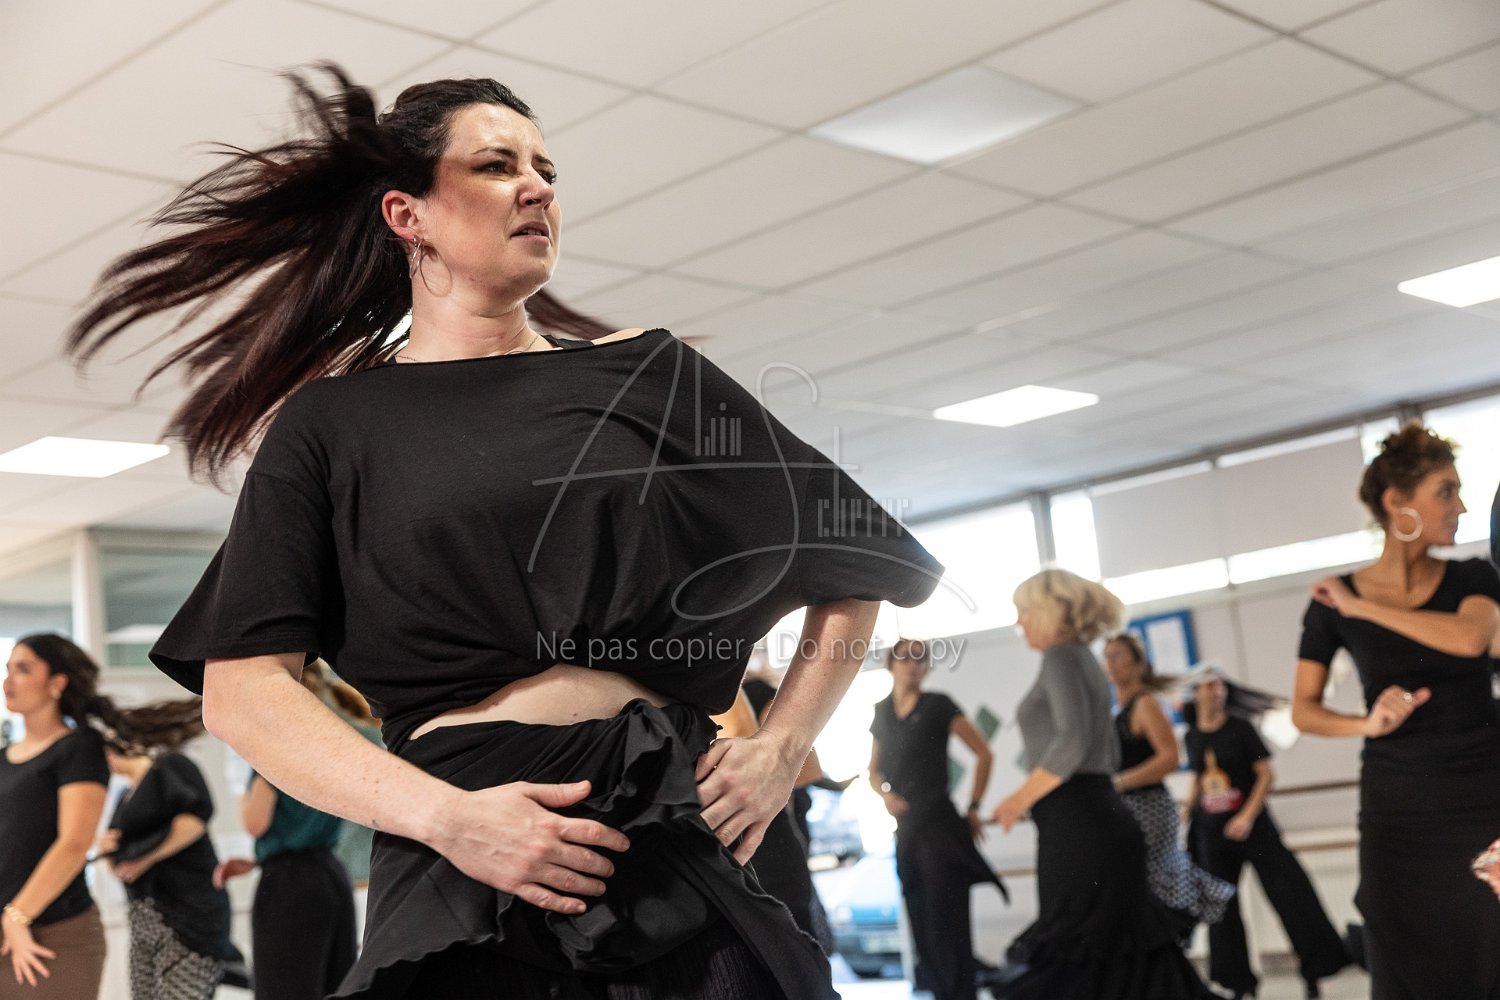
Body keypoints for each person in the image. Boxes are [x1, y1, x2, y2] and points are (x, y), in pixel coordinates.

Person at [69, 65, 943, 999]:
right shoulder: (334, 425)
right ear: (407, 215)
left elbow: (856, 561)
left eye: (547, 171)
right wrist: (447, 819)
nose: (537, 189)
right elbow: (242, 693)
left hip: (676, 822)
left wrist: (781, 749)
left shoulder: (649, 375)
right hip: (466, 840)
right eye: (497, 166)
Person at [1292, 423, 1500, 999]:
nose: (1460, 507)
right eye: (1446, 491)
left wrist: (1363, 608)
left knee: (1491, 949)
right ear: (1396, 502)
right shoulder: (1331, 603)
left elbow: (1469, 640)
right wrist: (1366, 724)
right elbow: (1303, 710)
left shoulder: (1473, 577)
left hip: (1483, 797)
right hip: (1398, 811)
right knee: (1406, 957)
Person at [992, 569, 1212, 1000]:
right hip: (1094, 816)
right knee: (1119, 957)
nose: (1019, 623)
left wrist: (1018, 799)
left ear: (1049, 611)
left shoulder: (1061, 656)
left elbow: (1073, 741)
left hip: (1079, 823)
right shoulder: (1083, 658)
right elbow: (1099, 750)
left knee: (1083, 947)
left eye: (1024, 613)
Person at [1, 634, 203, 999]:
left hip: (54, 935)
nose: (8, 681)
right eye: (7, 669)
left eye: (23, 669)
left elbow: (75, 842)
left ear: (57, 683)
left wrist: (17, 916)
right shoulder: (3, 758)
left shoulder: (79, 748)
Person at [1184, 671, 1347, 1000]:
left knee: (1290, 895)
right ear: (1196, 693)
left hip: (1255, 829)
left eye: (1219, 685)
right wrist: (1188, 806)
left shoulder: (1240, 728)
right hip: (1213, 833)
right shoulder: (1192, 736)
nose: (1215, 691)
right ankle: (1238, 985)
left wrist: (1246, 816)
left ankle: (1315, 972)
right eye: (1208, 686)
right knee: (1221, 911)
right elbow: (1201, 776)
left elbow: (1265, 775)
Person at [869, 637, 1005, 1000]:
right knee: (921, 922)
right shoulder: (882, 712)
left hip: (940, 826)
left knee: (948, 921)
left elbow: (984, 754)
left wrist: (974, 806)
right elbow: (872, 772)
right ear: (891, 665)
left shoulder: (939, 705)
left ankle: (961, 993)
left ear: (927, 667)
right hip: (907, 830)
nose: (912, 664)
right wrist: (885, 795)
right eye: (905, 658)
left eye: (920, 658)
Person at [214, 662, 358, 1000]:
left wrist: (245, 780)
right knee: (336, 988)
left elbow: (254, 823)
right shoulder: (329, 744)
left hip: (290, 887)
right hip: (330, 875)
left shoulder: (274, 751)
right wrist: (259, 860)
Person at [1102, 634, 1233, 938]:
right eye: (1106, 657)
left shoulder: (1144, 704)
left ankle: (1172, 940)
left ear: (1138, 664)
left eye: (1118, 655)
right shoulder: (1118, 710)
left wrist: (1121, 781)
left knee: (1155, 889)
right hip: (1128, 808)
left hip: (1149, 807)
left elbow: (1170, 757)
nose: (1110, 663)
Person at [102, 744, 233, 1000]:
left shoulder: (168, 767)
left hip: (187, 915)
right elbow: (119, 863)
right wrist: (107, 851)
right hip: (144, 921)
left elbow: (195, 819)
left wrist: (147, 859)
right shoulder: (124, 795)